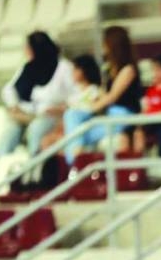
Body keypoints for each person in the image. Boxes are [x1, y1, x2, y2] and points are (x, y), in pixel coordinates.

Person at [62, 25, 145, 163]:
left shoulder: (128, 70)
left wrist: (89, 108)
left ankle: (74, 162)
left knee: (77, 129)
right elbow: (104, 94)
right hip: (110, 113)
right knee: (73, 120)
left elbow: (112, 96)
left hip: (123, 114)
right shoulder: (109, 69)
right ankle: (74, 160)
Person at [0, 31, 74, 157]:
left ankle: (35, 164)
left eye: (28, 47)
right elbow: (9, 90)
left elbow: (76, 93)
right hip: (27, 114)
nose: (26, 51)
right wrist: (14, 105)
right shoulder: (28, 67)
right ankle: (1, 164)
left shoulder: (64, 67)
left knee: (36, 129)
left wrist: (64, 107)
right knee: (10, 132)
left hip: (51, 116)